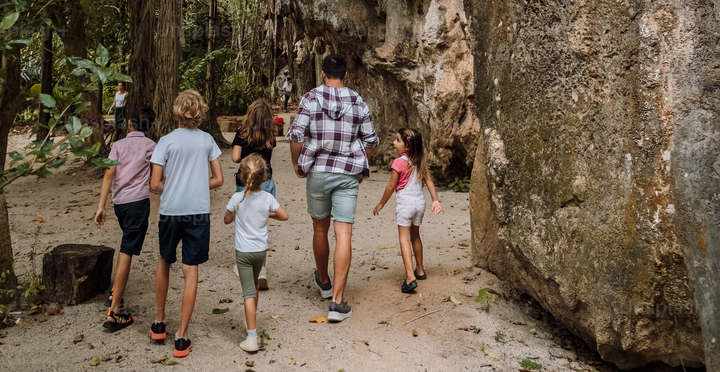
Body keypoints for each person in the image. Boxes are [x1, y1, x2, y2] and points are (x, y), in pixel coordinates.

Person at [286, 54, 379, 322]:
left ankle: (324, 282)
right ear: (346, 74)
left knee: (319, 229)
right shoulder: (358, 101)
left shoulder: (311, 98)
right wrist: (359, 164)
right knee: (344, 233)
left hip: (319, 171)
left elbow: (295, 135)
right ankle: (337, 303)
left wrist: (296, 163)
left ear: (323, 74)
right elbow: (371, 140)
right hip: (347, 173)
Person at [149, 90, 224, 358]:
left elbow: (155, 184)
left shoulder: (165, 142)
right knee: (190, 270)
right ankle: (182, 336)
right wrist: (196, 184)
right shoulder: (207, 141)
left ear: (177, 111)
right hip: (198, 213)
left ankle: (159, 323)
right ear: (200, 112)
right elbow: (218, 179)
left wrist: (176, 185)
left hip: (171, 211)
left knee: (164, 261)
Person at [94, 106, 157, 330]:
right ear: (150, 127)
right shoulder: (152, 146)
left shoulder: (118, 145)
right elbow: (158, 176)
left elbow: (109, 172)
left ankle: (115, 294)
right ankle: (114, 311)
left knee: (126, 245)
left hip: (119, 204)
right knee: (127, 250)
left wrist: (101, 206)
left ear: (129, 123)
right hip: (138, 204)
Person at [224, 154, 289, 352]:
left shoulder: (237, 198)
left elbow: (227, 219)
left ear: (242, 177)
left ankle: (251, 337)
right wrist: (266, 214)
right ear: (264, 177)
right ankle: (250, 320)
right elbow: (284, 216)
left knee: (247, 292)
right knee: (254, 287)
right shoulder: (268, 198)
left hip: (243, 253)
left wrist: (236, 214)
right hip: (261, 252)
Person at [373, 128, 442, 293]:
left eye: (397, 140)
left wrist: (382, 203)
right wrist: (435, 200)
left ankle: (410, 277)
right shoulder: (419, 161)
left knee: (404, 240)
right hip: (419, 203)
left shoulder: (398, 163)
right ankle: (420, 270)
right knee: (415, 235)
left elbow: (391, 186)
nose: (394, 143)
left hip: (406, 204)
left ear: (407, 146)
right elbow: (430, 181)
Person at [231, 99, 277, 290]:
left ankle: (242, 262)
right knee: (261, 223)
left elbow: (235, 158)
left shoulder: (242, 134)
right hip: (266, 182)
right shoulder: (270, 135)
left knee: (243, 222)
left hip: (244, 184)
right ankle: (262, 268)